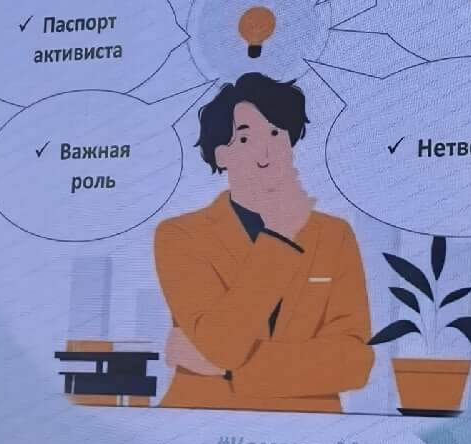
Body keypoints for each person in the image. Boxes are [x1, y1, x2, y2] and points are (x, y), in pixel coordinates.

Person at [153, 73, 374, 413]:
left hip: (312, 431)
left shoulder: (334, 235)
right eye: (245, 139)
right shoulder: (181, 235)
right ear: (221, 154)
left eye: (275, 133)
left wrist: (231, 370)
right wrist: (280, 237)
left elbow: (353, 363)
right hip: (202, 424)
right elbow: (222, 344)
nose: (265, 153)